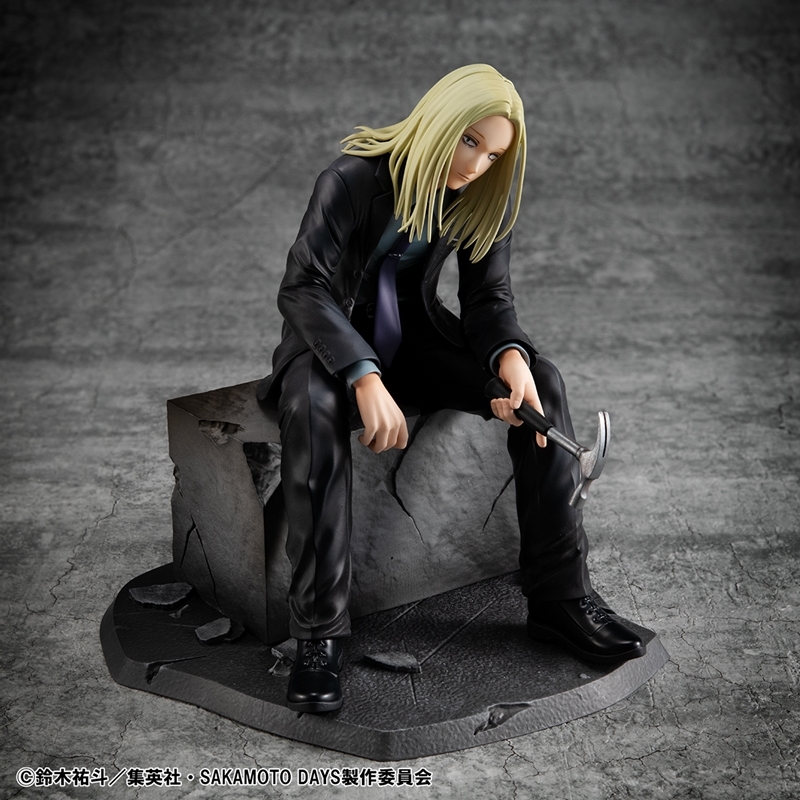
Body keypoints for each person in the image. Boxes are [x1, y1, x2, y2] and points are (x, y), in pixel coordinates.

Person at [257, 64, 644, 713]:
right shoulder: (351, 179)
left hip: (416, 342)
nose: (476, 164)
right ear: (441, 121)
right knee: (313, 408)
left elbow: (488, 297)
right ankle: (319, 634)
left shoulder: (479, 196)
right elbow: (303, 287)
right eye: (470, 141)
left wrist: (509, 357)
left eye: (493, 155)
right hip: (329, 347)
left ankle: (560, 597)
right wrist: (362, 374)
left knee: (542, 383)